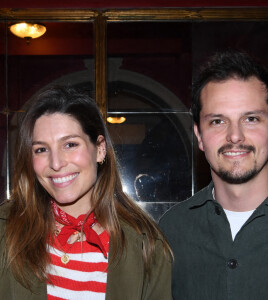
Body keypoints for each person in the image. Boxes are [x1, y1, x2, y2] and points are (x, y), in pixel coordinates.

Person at [0, 86, 172, 300]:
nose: (56, 163)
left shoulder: (148, 246)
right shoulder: (6, 232)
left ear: (100, 149)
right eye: (41, 149)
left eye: (70, 144)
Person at [159, 51, 268, 299]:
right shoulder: (172, 230)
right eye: (217, 121)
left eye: (251, 118)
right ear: (199, 135)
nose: (235, 136)